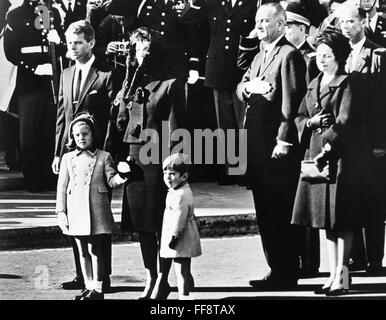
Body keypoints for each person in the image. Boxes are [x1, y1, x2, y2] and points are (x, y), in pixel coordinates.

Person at [236, 2, 306, 289]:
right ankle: (276, 267)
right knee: (265, 211)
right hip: (256, 146)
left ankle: (287, 270)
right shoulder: (261, 54)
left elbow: (292, 102)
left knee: (279, 211)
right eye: (257, 20)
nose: (260, 25)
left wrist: (284, 139)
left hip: (275, 147)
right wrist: (247, 89)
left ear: (281, 23)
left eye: (265, 21)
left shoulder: (288, 55)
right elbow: (241, 84)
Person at [115, 27, 185, 299]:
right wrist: (126, 87)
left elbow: (179, 130)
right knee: (143, 224)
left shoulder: (170, 84)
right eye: (136, 49)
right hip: (136, 161)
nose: (140, 54)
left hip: (160, 162)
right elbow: (121, 123)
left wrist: (175, 168)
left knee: (161, 224)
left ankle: (164, 279)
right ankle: (151, 276)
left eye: (145, 49)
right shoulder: (133, 85)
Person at [291, 28, 358, 295]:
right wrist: (310, 122)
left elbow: (346, 121)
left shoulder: (347, 83)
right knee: (325, 221)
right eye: (319, 55)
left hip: (340, 159)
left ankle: (343, 274)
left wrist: (328, 143)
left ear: (339, 57)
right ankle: (332, 275)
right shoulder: (313, 82)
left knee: (342, 220)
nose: (322, 60)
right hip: (315, 156)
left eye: (328, 55)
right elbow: (300, 116)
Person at [52, 20, 118, 292]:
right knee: (75, 215)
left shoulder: (105, 75)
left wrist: (108, 153)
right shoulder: (65, 74)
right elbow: (61, 116)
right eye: (70, 44)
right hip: (71, 154)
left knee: (98, 218)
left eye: (78, 43)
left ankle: (104, 277)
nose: (74, 48)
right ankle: (82, 275)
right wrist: (57, 152)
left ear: (91, 43)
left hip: (97, 158)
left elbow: (114, 119)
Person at [181, 0, 258, 184]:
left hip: (243, 68)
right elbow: (187, 19)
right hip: (218, 67)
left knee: (243, 123)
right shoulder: (212, 3)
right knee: (225, 124)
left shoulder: (253, 3)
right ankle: (232, 171)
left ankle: (247, 172)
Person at [56, 112, 127, 300]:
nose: (81, 138)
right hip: (76, 209)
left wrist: (124, 175)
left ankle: (98, 288)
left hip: (96, 209)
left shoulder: (104, 156)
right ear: (72, 137)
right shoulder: (67, 158)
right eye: (77, 135)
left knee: (97, 249)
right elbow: (62, 187)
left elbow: (111, 181)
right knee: (82, 251)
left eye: (85, 133)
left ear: (93, 134)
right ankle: (88, 286)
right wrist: (61, 211)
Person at [339, 4, 386, 274]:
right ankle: (355, 256)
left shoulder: (378, 55)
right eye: (343, 22)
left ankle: (374, 259)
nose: (347, 26)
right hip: (348, 141)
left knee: (374, 200)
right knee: (350, 199)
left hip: (371, 141)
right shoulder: (339, 53)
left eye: (352, 21)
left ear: (362, 22)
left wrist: (382, 143)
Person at [4, 0, 64, 192]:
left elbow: (61, 48)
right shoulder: (16, 15)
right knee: (29, 134)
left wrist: (59, 41)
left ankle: (48, 177)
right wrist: (34, 68)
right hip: (29, 81)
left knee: (48, 131)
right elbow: (11, 51)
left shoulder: (50, 12)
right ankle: (33, 180)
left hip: (50, 81)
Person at [285, 0, 320, 276]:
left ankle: (308, 262)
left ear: (302, 28)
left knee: (306, 198)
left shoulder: (311, 57)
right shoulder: (281, 52)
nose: (285, 30)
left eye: (288, 25)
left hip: (305, 133)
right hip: (290, 131)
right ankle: (294, 257)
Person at [150, 153, 201, 300]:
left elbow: (179, 217)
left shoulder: (180, 195)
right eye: (165, 173)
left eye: (172, 174)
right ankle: (185, 294)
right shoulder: (177, 190)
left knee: (181, 270)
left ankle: (185, 297)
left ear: (184, 177)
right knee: (183, 269)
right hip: (180, 236)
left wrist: (174, 237)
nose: (167, 177)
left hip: (180, 238)